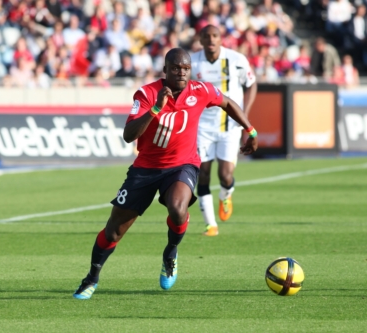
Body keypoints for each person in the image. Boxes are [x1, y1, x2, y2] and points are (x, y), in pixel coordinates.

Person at [73, 48, 258, 299]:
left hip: (182, 165)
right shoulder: (147, 93)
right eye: (175, 68)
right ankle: (91, 278)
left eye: (185, 69)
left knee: (178, 207)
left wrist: (250, 129)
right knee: (113, 231)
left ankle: (170, 252)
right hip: (145, 168)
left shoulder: (200, 90)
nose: (181, 73)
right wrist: (155, 109)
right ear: (165, 70)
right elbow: (129, 135)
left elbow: (226, 102)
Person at [190, 25, 257, 236]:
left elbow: (252, 84)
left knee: (225, 175)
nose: (211, 39)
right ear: (200, 40)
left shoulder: (237, 60)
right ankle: (211, 225)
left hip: (230, 126)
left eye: (215, 35)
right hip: (202, 127)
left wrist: (244, 115)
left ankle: (226, 194)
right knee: (202, 174)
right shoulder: (192, 62)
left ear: (221, 39)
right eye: (206, 36)